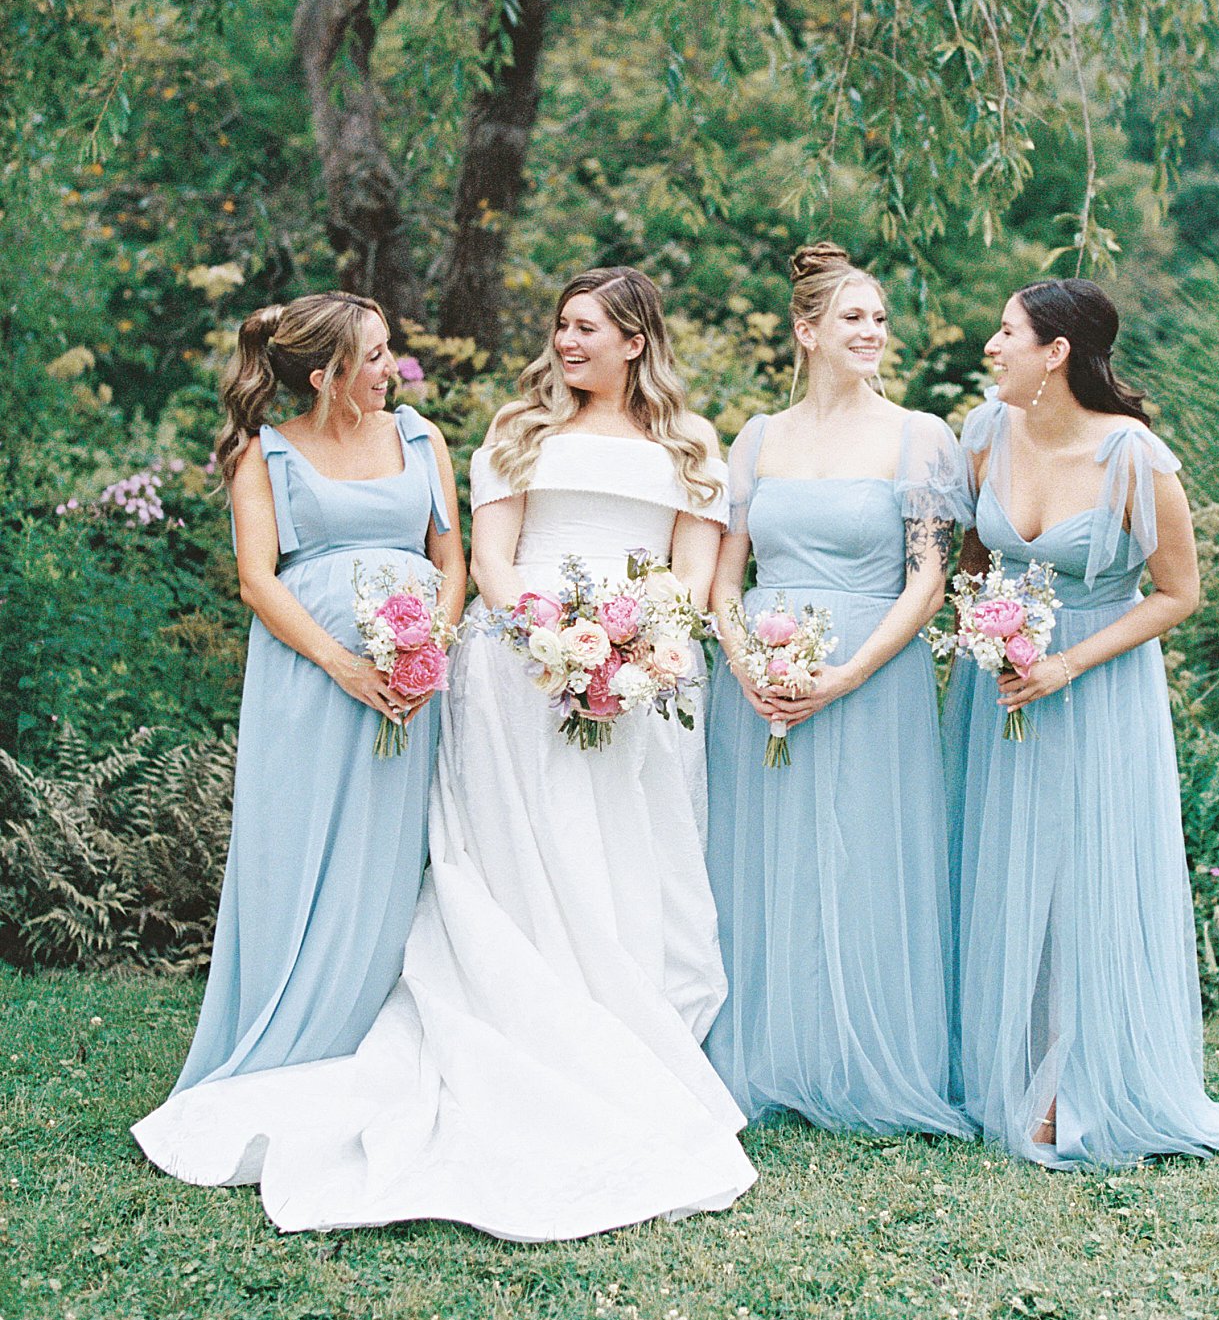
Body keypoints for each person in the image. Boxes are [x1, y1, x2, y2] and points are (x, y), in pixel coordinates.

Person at [138, 267, 755, 1238]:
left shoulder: (693, 442)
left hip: (643, 675)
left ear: (637, 339)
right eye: (560, 323)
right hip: (519, 670)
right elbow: (493, 555)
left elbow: (690, 564)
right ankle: (526, 1021)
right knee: (524, 853)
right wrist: (553, 640)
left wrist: (632, 648)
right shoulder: (517, 428)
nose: (565, 339)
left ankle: (630, 1032)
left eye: (586, 325)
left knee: (634, 859)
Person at [945, 277, 1219, 1168]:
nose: (990, 345)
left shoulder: (1134, 456)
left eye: (1005, 331)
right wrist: (986, 634)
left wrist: (1067, 663)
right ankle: (1005, 1072)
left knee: (1082, 875)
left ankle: (1075, 1087)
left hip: (1096, 682)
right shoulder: (985, 434)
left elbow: (1179, 593)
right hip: (1005, 685)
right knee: (1006, 863)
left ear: (1055, 351)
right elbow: (974, 560)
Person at [135, 292, 464, 1119]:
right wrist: (345, 666)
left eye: (390, 351)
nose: (393, 369)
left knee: (387, 853)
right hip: (309, 685)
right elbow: (257, 579)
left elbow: (449, 558)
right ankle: (291, 1030)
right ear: (327, 376)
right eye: (377, 356)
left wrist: (432, 650)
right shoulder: (266, 455)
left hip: (410, 685)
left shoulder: (422, 439)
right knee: (302, 843)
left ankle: (375, 1026)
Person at [704, 242, 971, 1137]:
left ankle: (867, 1058)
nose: (873, 332)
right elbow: (724, 576)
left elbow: (927, 582)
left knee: (866, 854)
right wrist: (743, 664)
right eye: (854, 317)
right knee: (766, 859)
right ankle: (770, 1055)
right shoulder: (756, 439)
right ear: (805, 330)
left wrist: (848, 674)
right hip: (759, 680)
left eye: (881, 318)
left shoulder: (920, 436)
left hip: (871, 671)